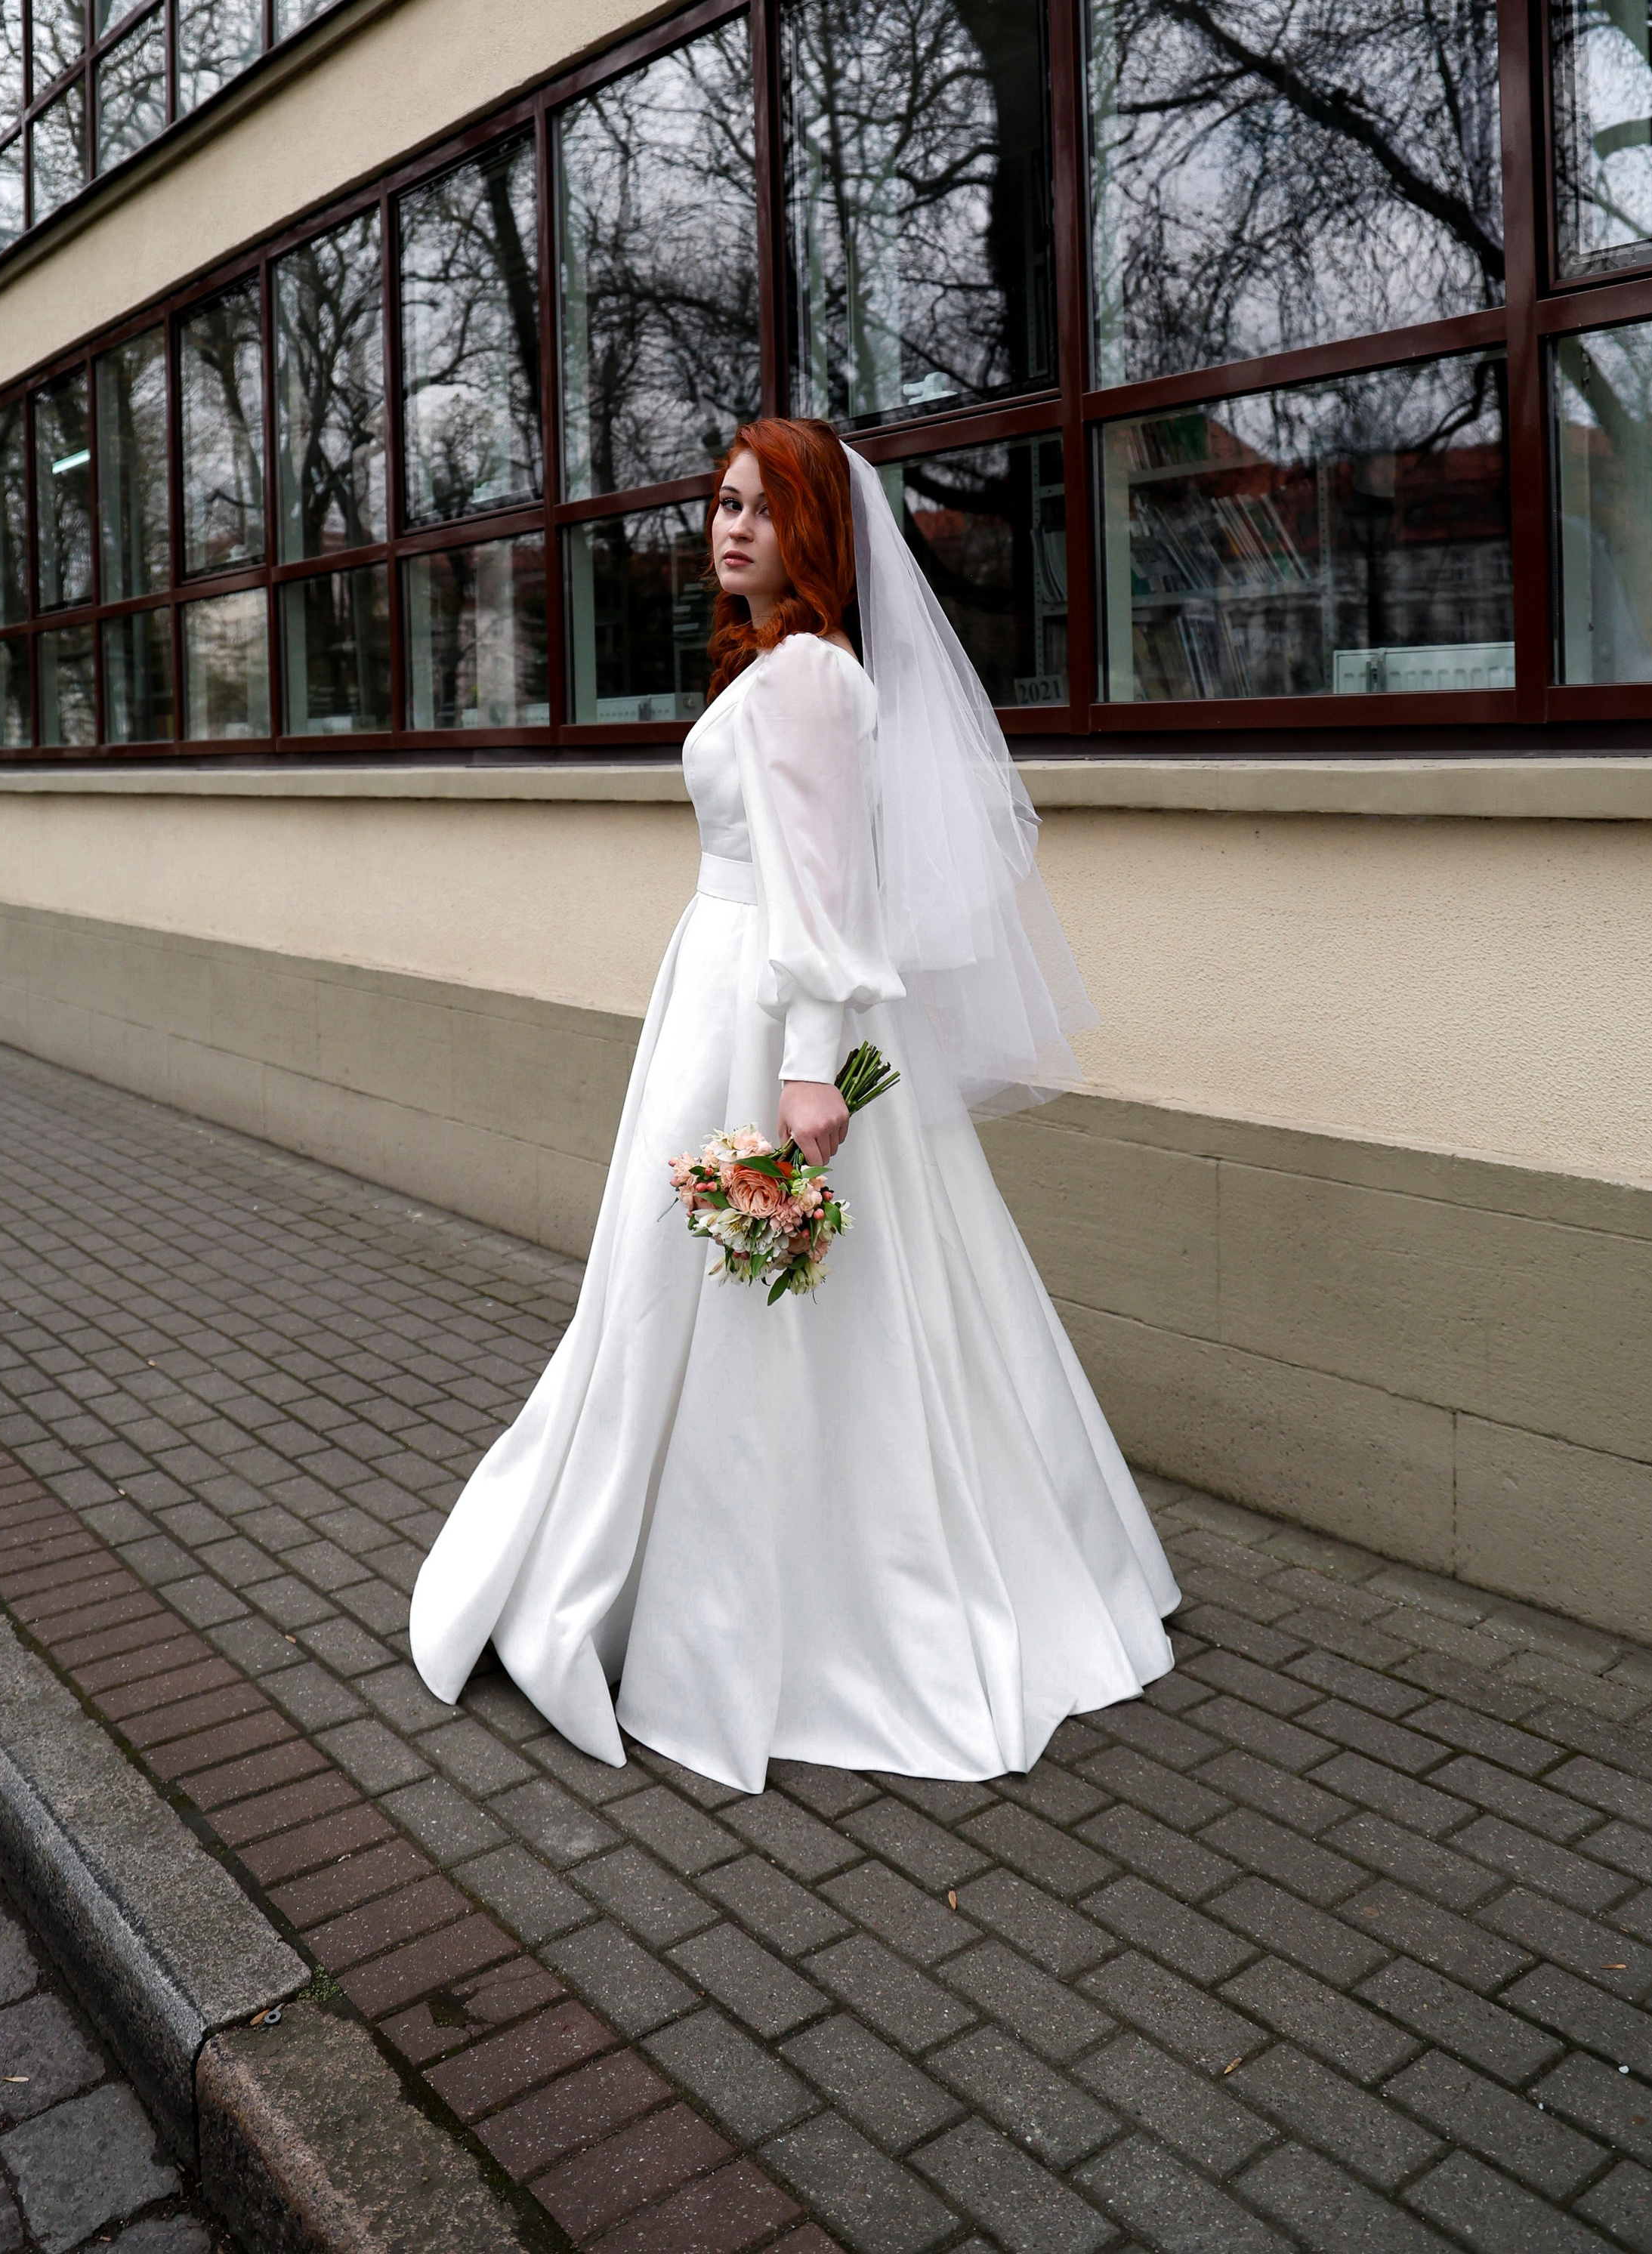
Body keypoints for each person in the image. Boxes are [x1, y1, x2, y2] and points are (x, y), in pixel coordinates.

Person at [409, 417, 1178, 1793]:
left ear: (817, 531)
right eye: (721, 504)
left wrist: (808, 1065)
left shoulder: (812, 680)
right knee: (709, 1299)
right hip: (724, 997)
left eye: (764, 508)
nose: (732, 527)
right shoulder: (784, 669)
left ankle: (806, 1607)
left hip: (766, 1016)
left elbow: (826, 895)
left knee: (767, 1303)